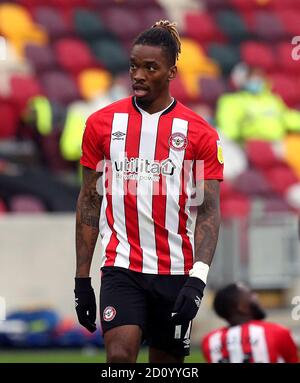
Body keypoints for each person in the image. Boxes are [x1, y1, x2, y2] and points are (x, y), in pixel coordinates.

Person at [74, 20, 223, 363]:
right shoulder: (101, 125)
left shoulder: (198, 133)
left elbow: (209, 210)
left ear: (171, 72)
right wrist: (82, 279)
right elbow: (89, 200)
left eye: (150, 67)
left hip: (176, 272)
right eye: (133, 66)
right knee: (119, 357)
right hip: (121, 267)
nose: (138, 75)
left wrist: (198, 280)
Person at [201, 282, 298, 363]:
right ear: (241, 307)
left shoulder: (210, 341)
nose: (256, 296)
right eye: (251, 294)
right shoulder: (277, 332)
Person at [216, 65, 300, 143]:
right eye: (251, 77)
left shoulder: (272, 100)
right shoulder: (232, 101)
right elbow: (229, 130)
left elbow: (286, 117)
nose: (256, 80)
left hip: (277, 143)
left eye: (259, 77)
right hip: (250, 146)